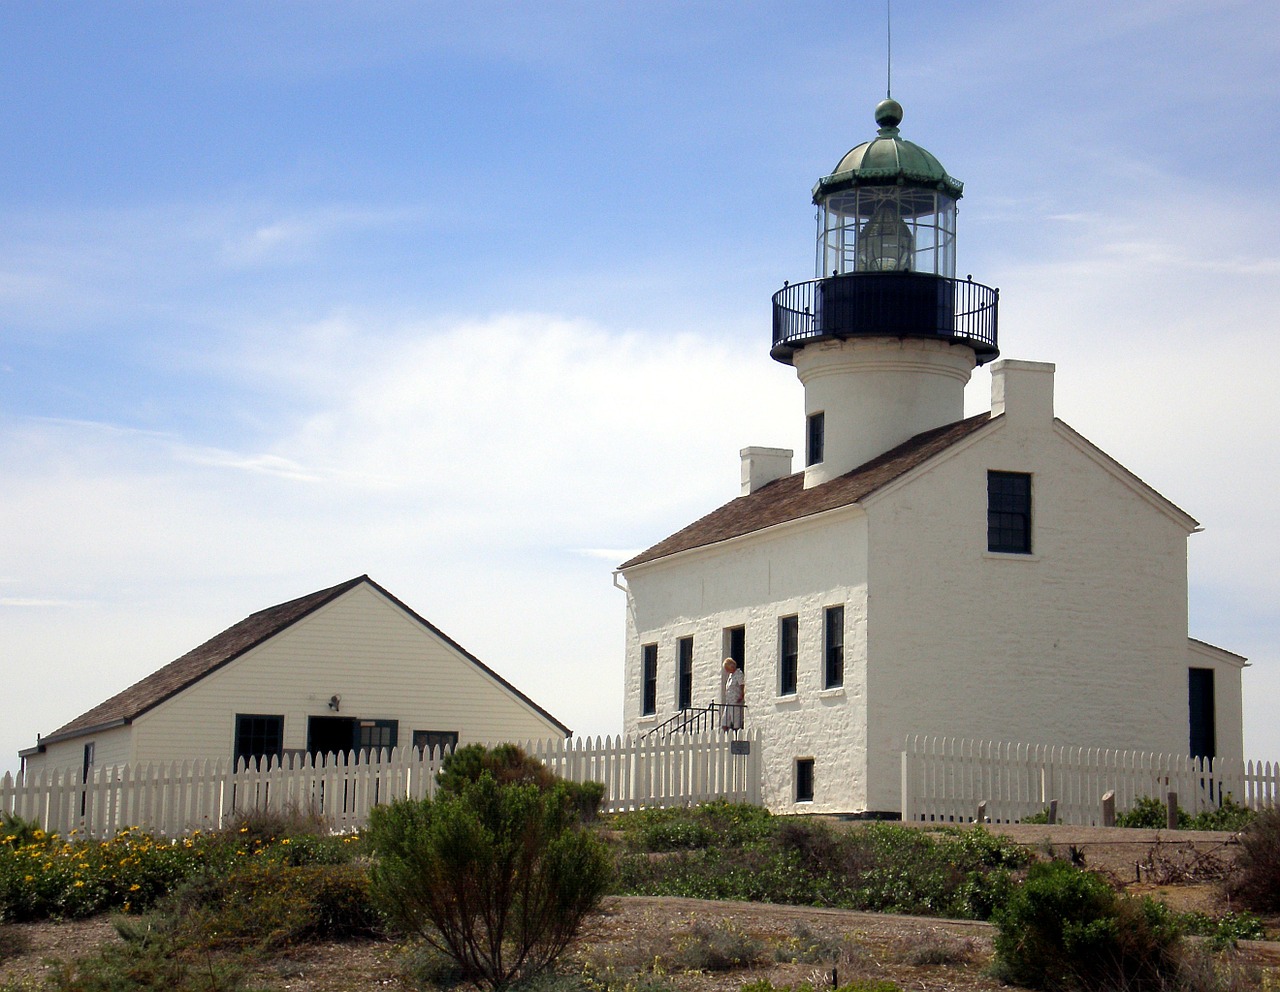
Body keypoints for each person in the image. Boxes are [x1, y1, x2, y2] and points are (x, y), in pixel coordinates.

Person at [721, 657, 744, 730]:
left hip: (735, 701)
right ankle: (726, 736)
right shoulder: (730, 676)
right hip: (729, 701)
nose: (726, 670)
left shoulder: (738, 673)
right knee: (724, 721)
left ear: (731, 666)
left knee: (736, 720)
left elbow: (742, 684)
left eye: (727, 668)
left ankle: (736, 736)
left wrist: (741, 695)